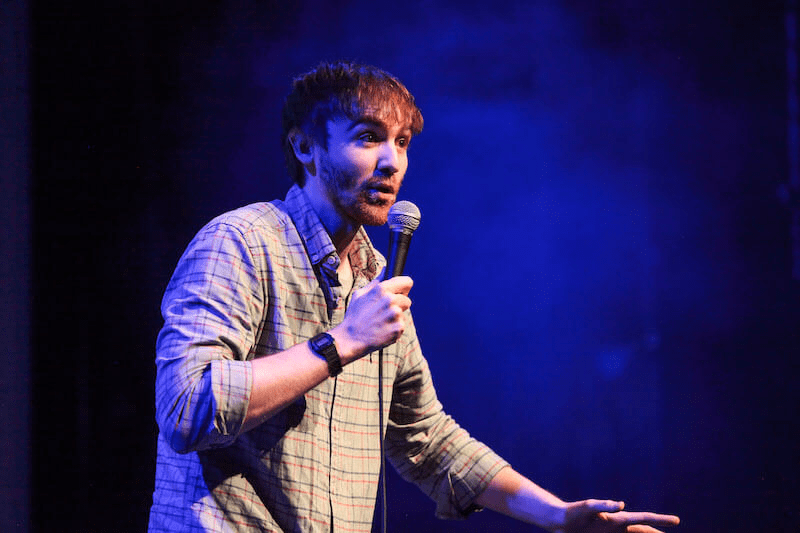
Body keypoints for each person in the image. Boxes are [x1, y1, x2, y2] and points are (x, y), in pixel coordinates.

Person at [148, 61, 680, 533]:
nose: (392, 162)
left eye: (402, 142)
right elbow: (185, 408)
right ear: (305, 146)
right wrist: (342, 342)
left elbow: (428, 438)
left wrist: (558, 517)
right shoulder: (240, 242)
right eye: (367, 137)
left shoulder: (374, 280)